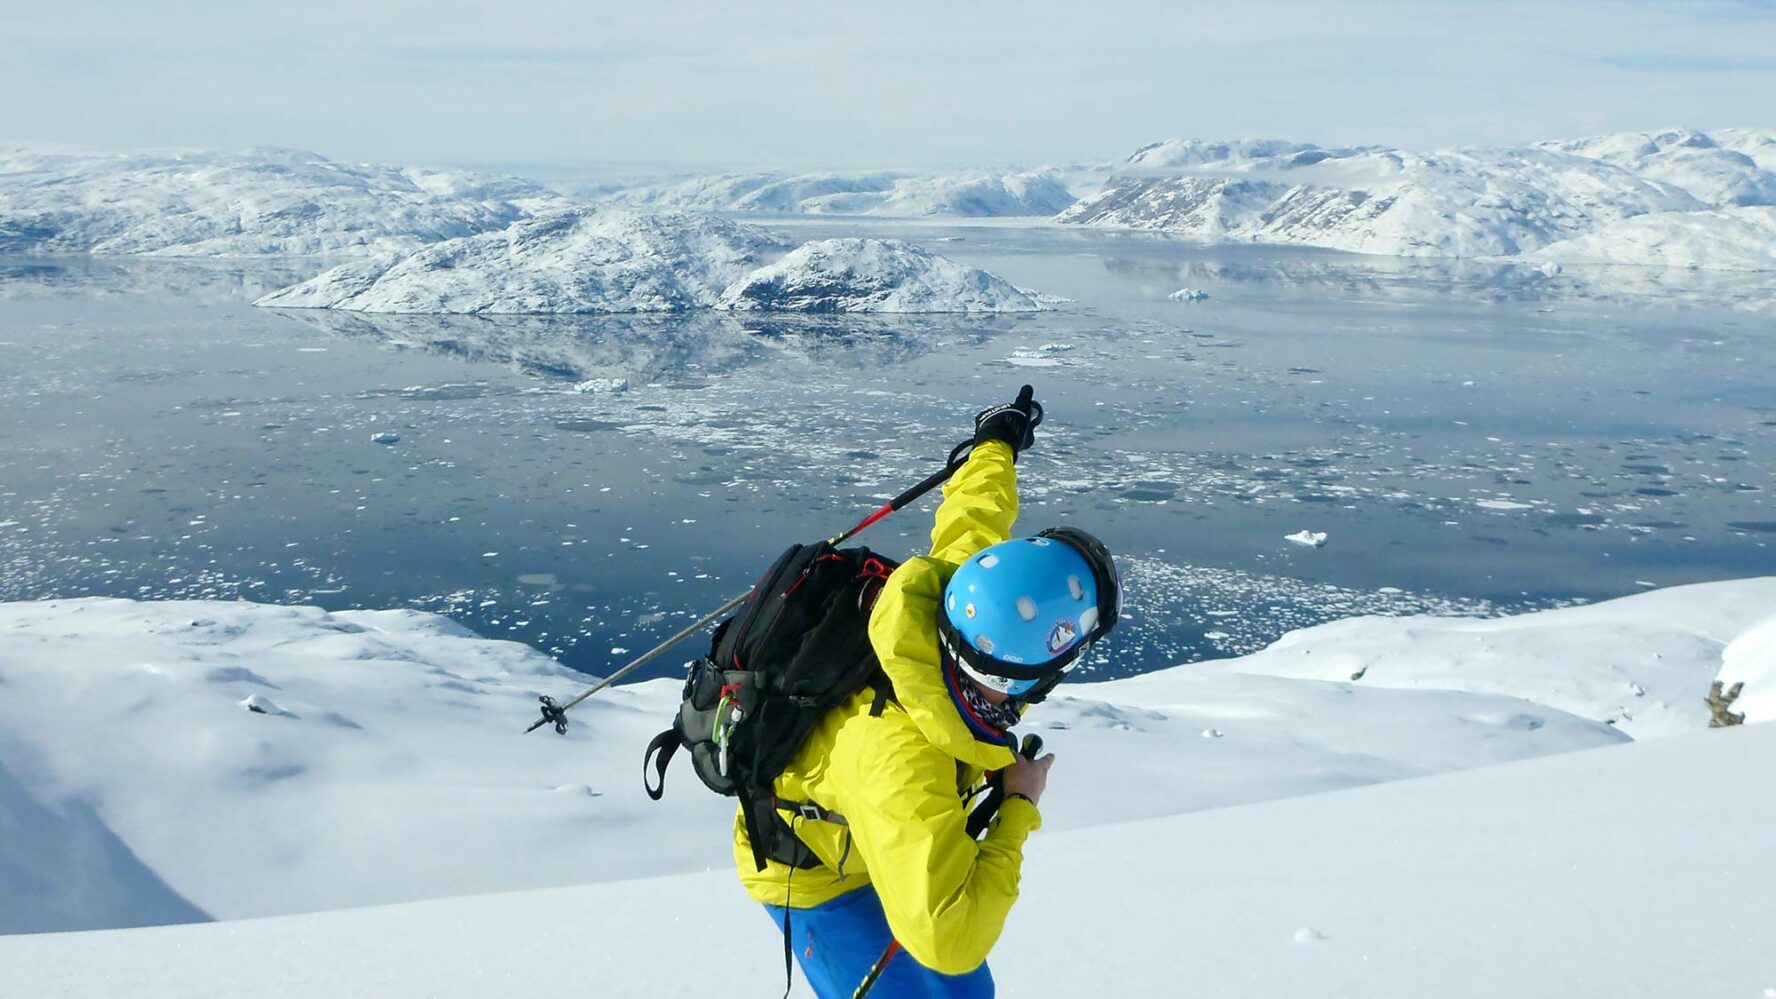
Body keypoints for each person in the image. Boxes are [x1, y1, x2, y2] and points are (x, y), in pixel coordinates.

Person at [734, 386, 1121, 998]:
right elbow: (949, 938)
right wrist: (1018, 807)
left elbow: (974, 514)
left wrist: (996, 441)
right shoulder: (902, 761)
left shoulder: (961, 600)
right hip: (820, 878)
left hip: (873, 833)